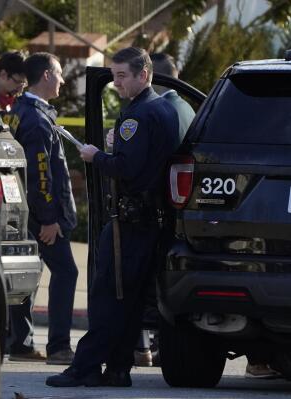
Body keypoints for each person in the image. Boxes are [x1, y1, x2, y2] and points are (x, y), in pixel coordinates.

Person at [46, 47, 179, 387]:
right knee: (130, 300)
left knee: (108, 296)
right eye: (114, 75)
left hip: (130, 223)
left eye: (122, 76)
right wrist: (116, 146)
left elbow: (126, 168)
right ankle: (118, 370)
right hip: (152, 221)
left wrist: (96, 156)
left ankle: (84, 367)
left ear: (143, 75)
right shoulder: (163, 110)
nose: (116, 83)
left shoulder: (137, 115)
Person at [7, 52, 79, 365]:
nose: (63, 80)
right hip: (41, 216)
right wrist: (50, 220)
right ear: (47, 76)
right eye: (60, 73)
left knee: (28, 275)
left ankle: (21, 344)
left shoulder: (21, 110)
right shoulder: (35, 119)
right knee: (66, 272)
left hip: (23, 212)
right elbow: (40, 177)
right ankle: (60, 347)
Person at [0, 51, 45, 362]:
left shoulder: (15, 104)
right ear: (2, 74)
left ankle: (15, 339)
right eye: (16, 83)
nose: (18, 90)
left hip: (10, 192)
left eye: (22, 86)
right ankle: (11, 339)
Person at [133, 52, 198, 367]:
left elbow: (139, 164)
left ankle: (140, 347)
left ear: (147, 77)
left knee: (142, 282)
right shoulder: (186, 107)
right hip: (183, 212)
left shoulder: (153, 110)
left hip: (154, 209)